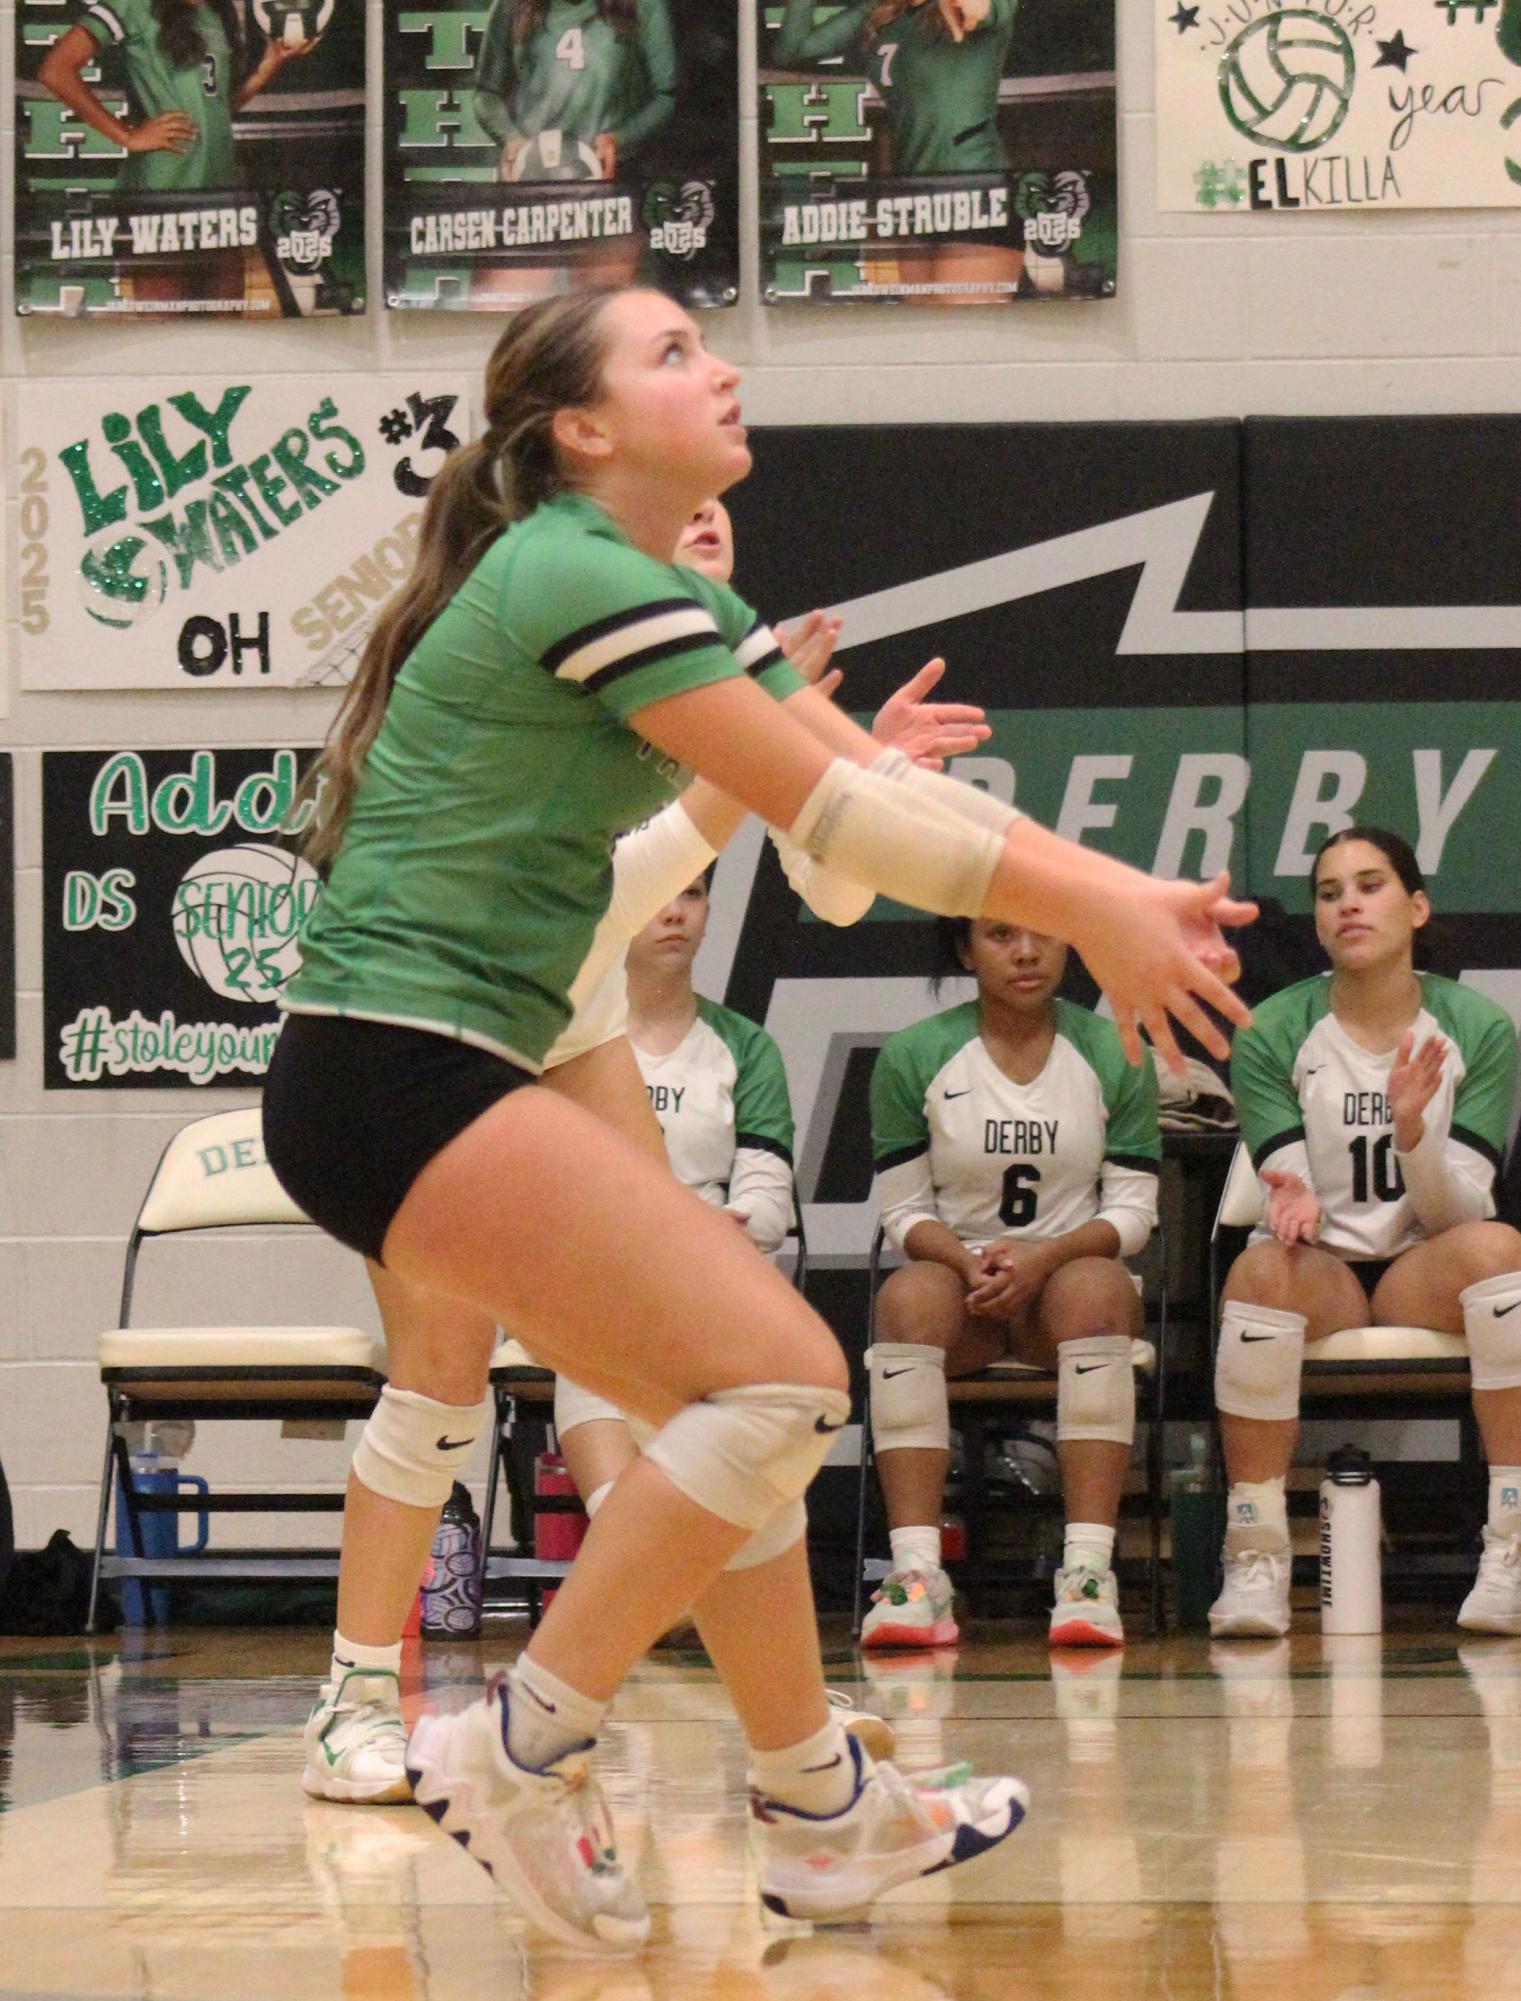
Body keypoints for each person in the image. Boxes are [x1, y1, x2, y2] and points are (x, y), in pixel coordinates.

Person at [264, 283, 1252, 1952]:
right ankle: (518, 1749)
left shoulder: (647, 587)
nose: (717, 368)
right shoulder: (575, 569)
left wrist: (1107, 893)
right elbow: (845, 811)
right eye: (668, 353)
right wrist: (1098, 905)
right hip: (398, 1060)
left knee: (736, 1432)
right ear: (580, 432)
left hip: (484, 1047)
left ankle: (816, 1806)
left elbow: (859, 811)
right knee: (783, 1376)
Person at [301, 500, 980, 1799]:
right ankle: (351, 1696)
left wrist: (873, 777)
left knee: (700, 1376)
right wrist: (777, 766)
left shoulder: (723, 672)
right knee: (443, 1378)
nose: (716, 516)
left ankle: (771, 1719)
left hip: (574, 1005)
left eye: (732, 510)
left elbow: (831, 889)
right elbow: (615, 885)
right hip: (433, 1008)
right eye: (689, 504)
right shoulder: (550, 637)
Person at [1210, 826, 1521, 1640]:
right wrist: (1291, 1199)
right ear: (1316, 922)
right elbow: (1282, 1173)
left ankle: (1509, 1544)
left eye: (1370, 883)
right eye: (1328, 890)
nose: (1348, 901)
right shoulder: (1271, 1028)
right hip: (1328, 1269)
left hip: (1425, 1262)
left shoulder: (1478, 1028)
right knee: (1257, 1277)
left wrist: (1413, 1131)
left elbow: (1464, 1211)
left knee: (1502, 1254)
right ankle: (1254, 1555)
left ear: (1415, 906)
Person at [864, 918, 1159, 1652]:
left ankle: (1087, 1574)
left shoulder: (1111, 1047)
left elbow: (1134, 1211)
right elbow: (903, 1211)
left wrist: (1044, 1256)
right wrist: (967, 1264)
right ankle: (916, 1577)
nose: (1026, 952)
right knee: (902, 1300)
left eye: (1043, 934)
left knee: (1099, 1293)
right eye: (999, 935)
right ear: (964, 950)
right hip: (961, 1287)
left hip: (1060, 1285)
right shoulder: (916, 1054)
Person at [38, 0, 314, 306]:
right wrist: (126, 136)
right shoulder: (132, 6)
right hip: (164, 190)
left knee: (224, 333)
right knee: (163, 328)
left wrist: (266, 68)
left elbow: (217, 107)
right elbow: (55, 69)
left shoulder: (216, 12)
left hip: (220, 192)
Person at [773, 0, 1025, 301]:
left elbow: (974, 10)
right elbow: (792, 51)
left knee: (964, 333)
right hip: (912, 193)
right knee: (921, 337)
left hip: (976, 188)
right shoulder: (880, 12)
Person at [470, 0, 675, 297]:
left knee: (602, 313)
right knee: (505, 305)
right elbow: (486, 93)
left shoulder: (642, 5)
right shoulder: (511, 6)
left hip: (607, 189)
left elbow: (665, 94)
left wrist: (620, 139)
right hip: (530, 186)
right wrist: (511, 139)